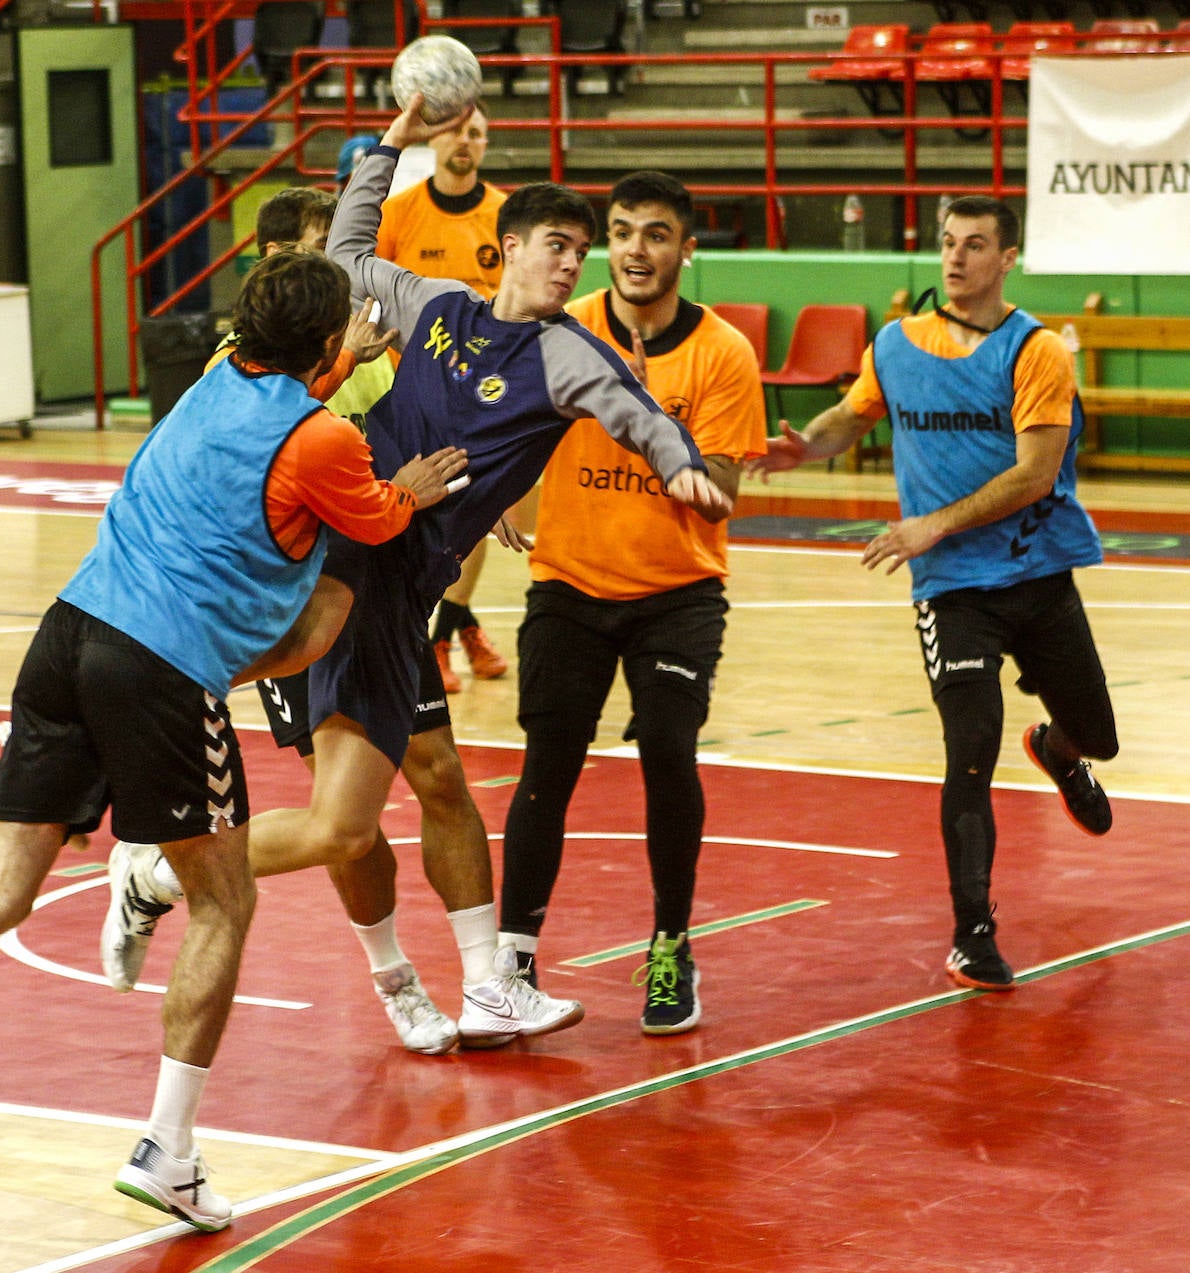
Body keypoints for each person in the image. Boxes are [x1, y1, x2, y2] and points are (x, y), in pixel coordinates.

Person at [0, 249, 464, 1239]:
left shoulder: (217, 375)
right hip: (158, 665)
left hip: (67, 629)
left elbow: (289, 401)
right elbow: (372, 514)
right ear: (329, 341)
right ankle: (167, 1150)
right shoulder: (329, 442)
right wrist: (416, 489)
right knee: (222, 896)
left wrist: (343, 359)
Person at [107, 96, 732, 1051]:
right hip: (346, 552)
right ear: (509, 249)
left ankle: (485, 983)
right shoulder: (434, 307)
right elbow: (349, 257)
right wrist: (386, 149)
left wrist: (678, 459)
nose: (572, 263)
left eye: (579, 251)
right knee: (341, 827)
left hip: (404, 581)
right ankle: (160, 868)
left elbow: (630, 408)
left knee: (405, 793)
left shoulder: (568, 354)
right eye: (556, 245)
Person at [104, 185, 517, 1058]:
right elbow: (338, 469)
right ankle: (390, 974)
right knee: (347, 822)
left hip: (387, 590)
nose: (345, 262)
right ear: (280, 266)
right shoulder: (254, 358)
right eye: (323, 247)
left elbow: (420, 416)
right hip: (308, 595)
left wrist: (483, 490)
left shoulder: (366, 329)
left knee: (438, 772)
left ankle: (490, 982)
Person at [747, 194, 1117, 994]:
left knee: (1101, 734)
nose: (954, 258)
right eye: (947, 243)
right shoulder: (896, 343)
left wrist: (930, 524)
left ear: (1006, 257)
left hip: (1037, 569)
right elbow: (854, 415)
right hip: (953, 589)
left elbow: (1034, 474)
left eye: (974, 245)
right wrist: (802, 447)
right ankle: (972, 933)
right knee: (970, 748)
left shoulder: (1038, 351)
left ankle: (1061, 750)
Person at [497, 171, 767, 1035]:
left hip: (677, 593)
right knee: (547, 768)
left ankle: (670, 946)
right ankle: (512, 958)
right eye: (621, 232)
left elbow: (720, 491)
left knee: (669, 758)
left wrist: (645, 416)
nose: (634, 250)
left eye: (656, 234)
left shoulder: (722, 352)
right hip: (569, 583)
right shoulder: (561, 330)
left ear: (687, 249)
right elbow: (507, 422)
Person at [377, 103, 510, 693]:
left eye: (477, 133)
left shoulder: (508, 215)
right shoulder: (399, 213)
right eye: (458, 130)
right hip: (410, 391)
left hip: (484, 396)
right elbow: (371, 293)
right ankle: (460, 627)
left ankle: (440, 636)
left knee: (471, 517)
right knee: (420, 523)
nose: (467, 141)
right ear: (437, 139)